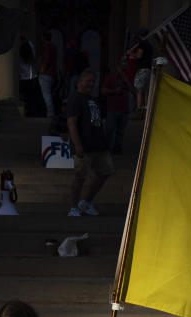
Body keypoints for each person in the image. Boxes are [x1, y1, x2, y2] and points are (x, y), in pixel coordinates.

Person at [66, 70, 112, 217]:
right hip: (84, 145)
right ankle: (73, 207)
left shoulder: (93, 99)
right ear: (80, 82)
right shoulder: (75, 99)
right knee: (80, 176)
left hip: (99, 144)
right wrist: (78, 145)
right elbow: (71, 123)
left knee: (105, 172)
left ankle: (86, 202)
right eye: (89, 81)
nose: (91, 84)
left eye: (93, 81)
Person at [101, 59, 132, 154]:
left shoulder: (128, 78)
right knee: (109, 131)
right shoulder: (110, 77)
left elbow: (135, 91)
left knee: (120, 132)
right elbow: (103, 91)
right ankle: (106, 149)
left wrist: (126, 80)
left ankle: (117, 149)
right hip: (112, 109)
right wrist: (114, 91)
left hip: (124, 109)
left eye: (126, 65)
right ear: (117, 67)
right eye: (122, 65)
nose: (124, 67)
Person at [126, 28, 153, 115]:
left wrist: (130, 53)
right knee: (146, 90)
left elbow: (138, 55)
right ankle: (146, 108)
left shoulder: (142, 44)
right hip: (148, 70)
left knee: (139, 90)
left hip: (142, 69)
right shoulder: (149, 45)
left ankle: (139, 109)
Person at [38, 31, 58, 117]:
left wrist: (41, 71)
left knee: (46, 94)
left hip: (46, 74)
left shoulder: (47, 47)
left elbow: (46, 60)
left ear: (43, 38)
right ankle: (49, 112)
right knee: (47, 94)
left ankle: (50, 113)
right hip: (51, 73)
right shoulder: (53, 47)